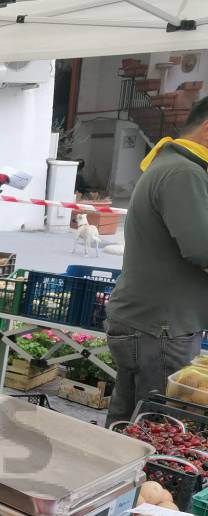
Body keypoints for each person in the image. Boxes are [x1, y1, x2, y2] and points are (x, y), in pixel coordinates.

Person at [104, 97, 208, 426]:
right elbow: (203, 248)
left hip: (147, 323)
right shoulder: (183, 172)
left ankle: (119, 477)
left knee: (128, 420)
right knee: (159, 426)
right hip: (161, 327)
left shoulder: (170, 164)